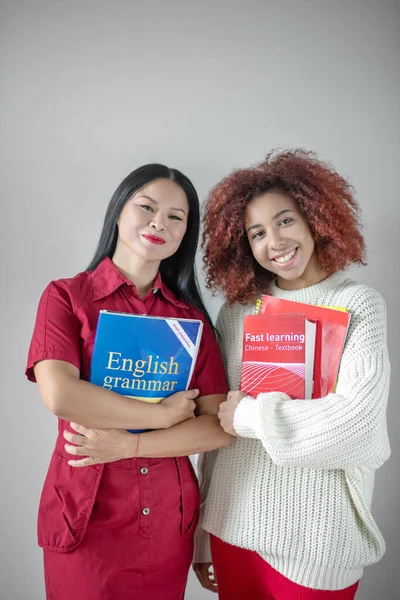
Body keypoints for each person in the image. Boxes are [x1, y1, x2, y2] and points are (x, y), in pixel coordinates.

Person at [26, 163, 231, 600]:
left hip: (165, 520)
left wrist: (131, 443)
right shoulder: (66, 297)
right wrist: (163, 415)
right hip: (84, 512)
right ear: (119, 210)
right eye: (147, 207)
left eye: (177, 217)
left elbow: (217, 427)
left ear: (184, 235)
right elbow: (61, 395)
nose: (160, 222)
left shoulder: (190, 321)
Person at [193, 149, 391, 599]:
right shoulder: (237, 311)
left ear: (315, 218)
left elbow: (356, 426)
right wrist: (204, 531)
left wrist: (249, 418)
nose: (274, 243)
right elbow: (216, 432)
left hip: (317, 539)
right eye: (257, 232)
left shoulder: (359, 305)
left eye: (285, 221)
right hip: (232, 525)